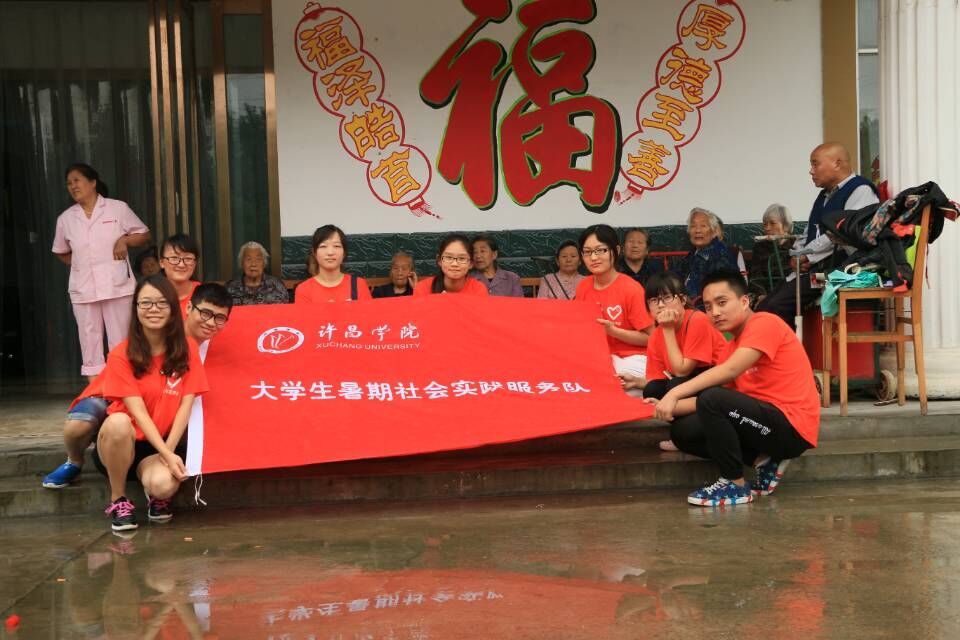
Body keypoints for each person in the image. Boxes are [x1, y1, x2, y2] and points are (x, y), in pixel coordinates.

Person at [652, 269, 821, 507]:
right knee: (683, 433)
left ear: (744, 301)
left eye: (722, 302)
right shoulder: (732, 348)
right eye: (708, 307)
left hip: (792, 428)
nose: (715, 312)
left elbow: (728, 374)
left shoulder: (765, 323)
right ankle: (764, 461)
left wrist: (674, 393)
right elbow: (710, 404)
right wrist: (662, 406)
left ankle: (735, 484)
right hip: (761, 425)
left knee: (712, 397)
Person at [41, 283, 232, 490]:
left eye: (219, 318)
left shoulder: (200, 347)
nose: (210, 322)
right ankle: (75, 461)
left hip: (157, 404)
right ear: (187, 308)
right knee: (80, 424)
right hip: (112, 397)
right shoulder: (163, 331)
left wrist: (167, 452)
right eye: (205, 313)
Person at [92, 275, 209, 530]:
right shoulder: (120, 354)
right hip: (121, 443)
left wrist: (166, 453)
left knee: (163, 486)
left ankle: (154, 494)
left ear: (173, 308)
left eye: (161, 303)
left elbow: (186, 405)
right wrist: (168, 455)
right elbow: (138, 412)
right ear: (136, 309)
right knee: (119, 422)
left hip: (159, 445)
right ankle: (119, 499)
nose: (153, 309)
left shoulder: (186, 349)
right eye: (145, 303)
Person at [758, 142, 879, 328]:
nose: (811, 171)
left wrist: (808, 256)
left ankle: (787, 347)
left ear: (837, 163)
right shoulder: (824, 196)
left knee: (776, 306)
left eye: (815, 164)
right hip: (815, 269)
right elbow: (810, 232)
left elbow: (841, 233)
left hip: (837, 272)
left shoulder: (861, 190)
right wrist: (797, 255)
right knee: (764, 306)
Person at [52, 163, 151, 379]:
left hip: (117, 287)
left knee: (121, 341)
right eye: (69, 183)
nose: (73, 186)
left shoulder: (117, 209)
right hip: (84, 289)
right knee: (90, 343)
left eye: (77, 180)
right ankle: (95, 391)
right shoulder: (66, 219)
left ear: (93, 182)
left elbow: (144, 234)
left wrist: (125, 240)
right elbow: (60, 251)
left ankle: (122, 388)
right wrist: (80, 264)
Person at [621, 271, 726, 451]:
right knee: (652, 389)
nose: (660, 305)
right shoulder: (656, 336)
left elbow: (682, 371)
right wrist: (637, 382)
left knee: (676, 384)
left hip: (716, 381)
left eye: (667, 297)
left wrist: (668, 330)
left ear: (683, 300)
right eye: (653, 300)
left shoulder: (697, 320)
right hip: (687, 383)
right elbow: (660, 377)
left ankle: (691, 429)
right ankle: (684, 429)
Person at [574, 224, 653, 388]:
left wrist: (613, 331)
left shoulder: (631, 289)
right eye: (587, 252)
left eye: (601, 250)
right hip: (597, 357)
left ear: (616, 251)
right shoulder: (583, 286)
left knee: (605, 385)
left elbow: (652, 338)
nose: (593, 257)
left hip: (633, 358)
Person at [295, 225, 372, 303]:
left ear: (344, 253)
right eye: (323, 246)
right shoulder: (304, 289)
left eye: (336, 246)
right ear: (315, 253)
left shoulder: (358, 285)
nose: (330, 252)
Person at [678, 208, 737, 304]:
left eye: (703, 226)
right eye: (693, 226)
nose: (697, 230)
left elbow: (720, 295)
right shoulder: (693, 253)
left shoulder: (720, 255)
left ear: (714, 232)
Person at [748, 204, 796, 305]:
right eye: (765, 224)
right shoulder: (760, 247)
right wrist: (761, 295)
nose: (767, 228)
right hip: (767, 294)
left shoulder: (797, 244)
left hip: (793, 293)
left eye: (772, 223)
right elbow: (755, 276)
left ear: (785, 225)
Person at [414, 234, 489, 296]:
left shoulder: (478, 289)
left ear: (471, 263)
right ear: (439, 260)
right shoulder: (422, 288)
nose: (454, 264)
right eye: (449, 257)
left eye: (462, 258)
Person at [225, 241, 289, 305]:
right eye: (248, 259)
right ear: (241, 263)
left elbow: (285, 310)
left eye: (258, 259)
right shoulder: (230, 288)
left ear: (264, 263)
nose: (253, 264)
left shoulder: (277, 286)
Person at [160, 233, 201, 317]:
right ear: (161, 263)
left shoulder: (205, 295)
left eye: (188, 258)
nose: (181, 265)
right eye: (174, 258)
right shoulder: (150, 294)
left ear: (195, 263)